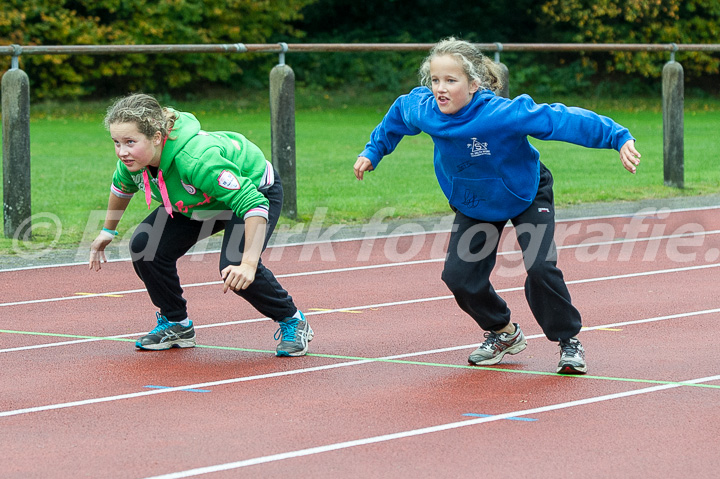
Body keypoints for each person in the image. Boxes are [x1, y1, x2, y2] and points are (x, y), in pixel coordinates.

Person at [354, 38, 641, 374]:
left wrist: (617, 136)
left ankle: (568, 341)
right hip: (474, 201)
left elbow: (560, 119)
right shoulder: (424, 110)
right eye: (434, 80)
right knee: (458, 276)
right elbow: (397, 114)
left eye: (451, 81)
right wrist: (373, 151)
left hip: (525, 191)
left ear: (474, 84)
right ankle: (503, 332)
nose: (440, 89)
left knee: (540, 268)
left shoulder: (502, 113)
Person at [89, 93, 313, 357]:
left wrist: (249, 264)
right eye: (116, 142)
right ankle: (176, 324)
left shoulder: (197, 160)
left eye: (130, 142)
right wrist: (107, 230)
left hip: (254, 193)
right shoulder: (133, 162)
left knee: (236, 264)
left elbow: (253, 205)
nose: (122, 151)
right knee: (145, 247)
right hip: (200, 201)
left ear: (157, 138)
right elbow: (121, 188)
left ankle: (292, 320)